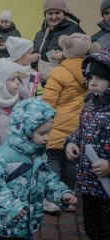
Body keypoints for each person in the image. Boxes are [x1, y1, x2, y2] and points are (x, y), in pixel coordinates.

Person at [0, 98, 78, 240]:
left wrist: (61, 193)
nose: (47, 138)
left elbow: (47, 178)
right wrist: (12, 206)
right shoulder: (3, 157)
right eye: (42, 133)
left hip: (26, 222)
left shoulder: (37, 154)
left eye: (49, 132)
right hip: (2, 226)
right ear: (25, 131)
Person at [42, 33, 101, 212]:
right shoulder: (91, 73)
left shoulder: (59, 72)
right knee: (70, 162)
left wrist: (43, 119)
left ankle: (53, 199)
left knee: (52, 159)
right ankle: (69, 197)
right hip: (79, 125)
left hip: (57, 123)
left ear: (66, 48)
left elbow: (48, 100)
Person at [65, 49, 110, 240]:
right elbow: (81, 129)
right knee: (93, 229)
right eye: (90, 77)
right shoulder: (90, 102)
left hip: (108, 186)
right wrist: (72, 142)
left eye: (99, 78)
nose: (92, 82)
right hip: (89, 182)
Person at [32, 0, 85, 85]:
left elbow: (85, 50)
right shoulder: (40, 34)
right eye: (50, 13)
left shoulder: (73, 29)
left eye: (57, 13)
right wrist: (32, 58)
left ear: (63, 13)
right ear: (45, 15)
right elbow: (34, 53)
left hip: (65, 82)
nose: (54, 16)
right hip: (42, 84)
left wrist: (65, 55)